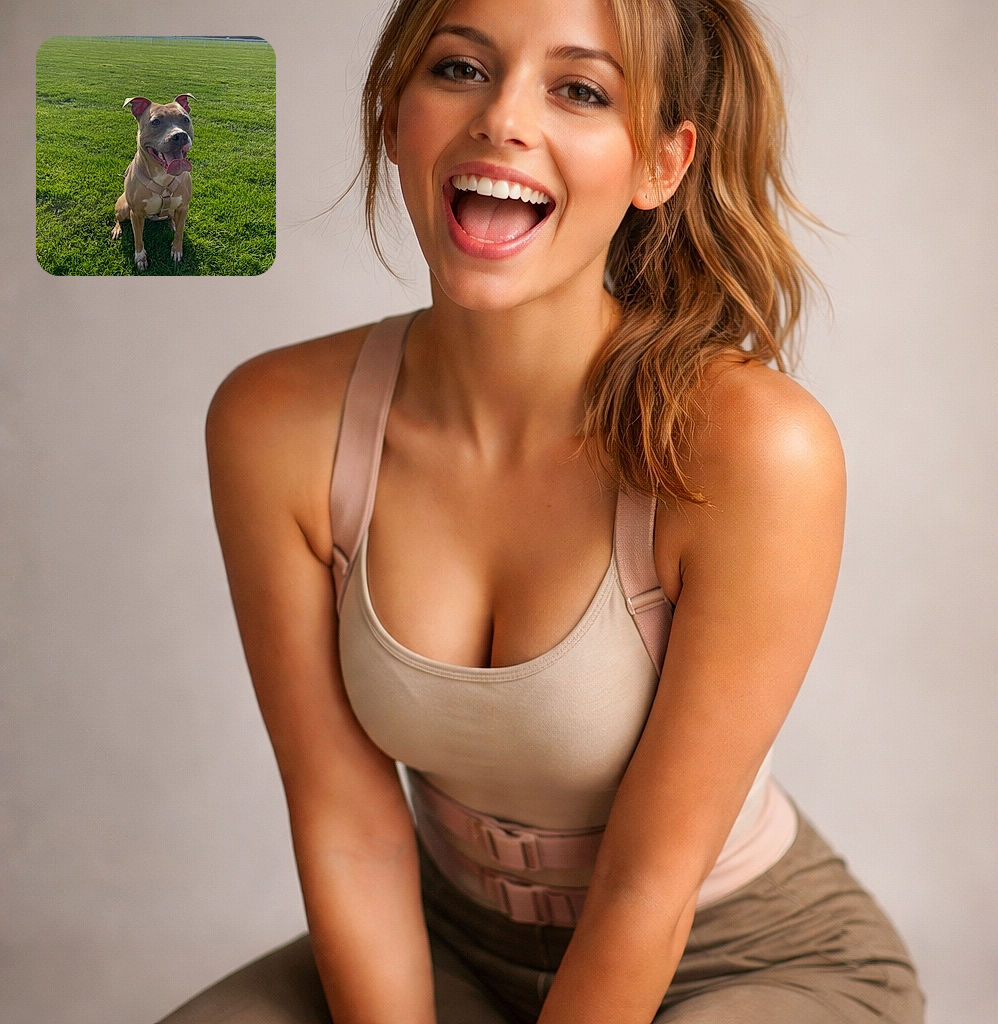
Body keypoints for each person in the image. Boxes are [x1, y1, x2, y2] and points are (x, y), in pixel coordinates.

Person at [159, 0, 925, 1021]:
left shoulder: (750, 447)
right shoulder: (276, 423)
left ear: (661, 162)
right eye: (459, 70)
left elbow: (646, 889)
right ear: (395, 114)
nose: (501, 121)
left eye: (579, 90)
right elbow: (350, 826)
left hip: (741, 958)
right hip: (448, 944)